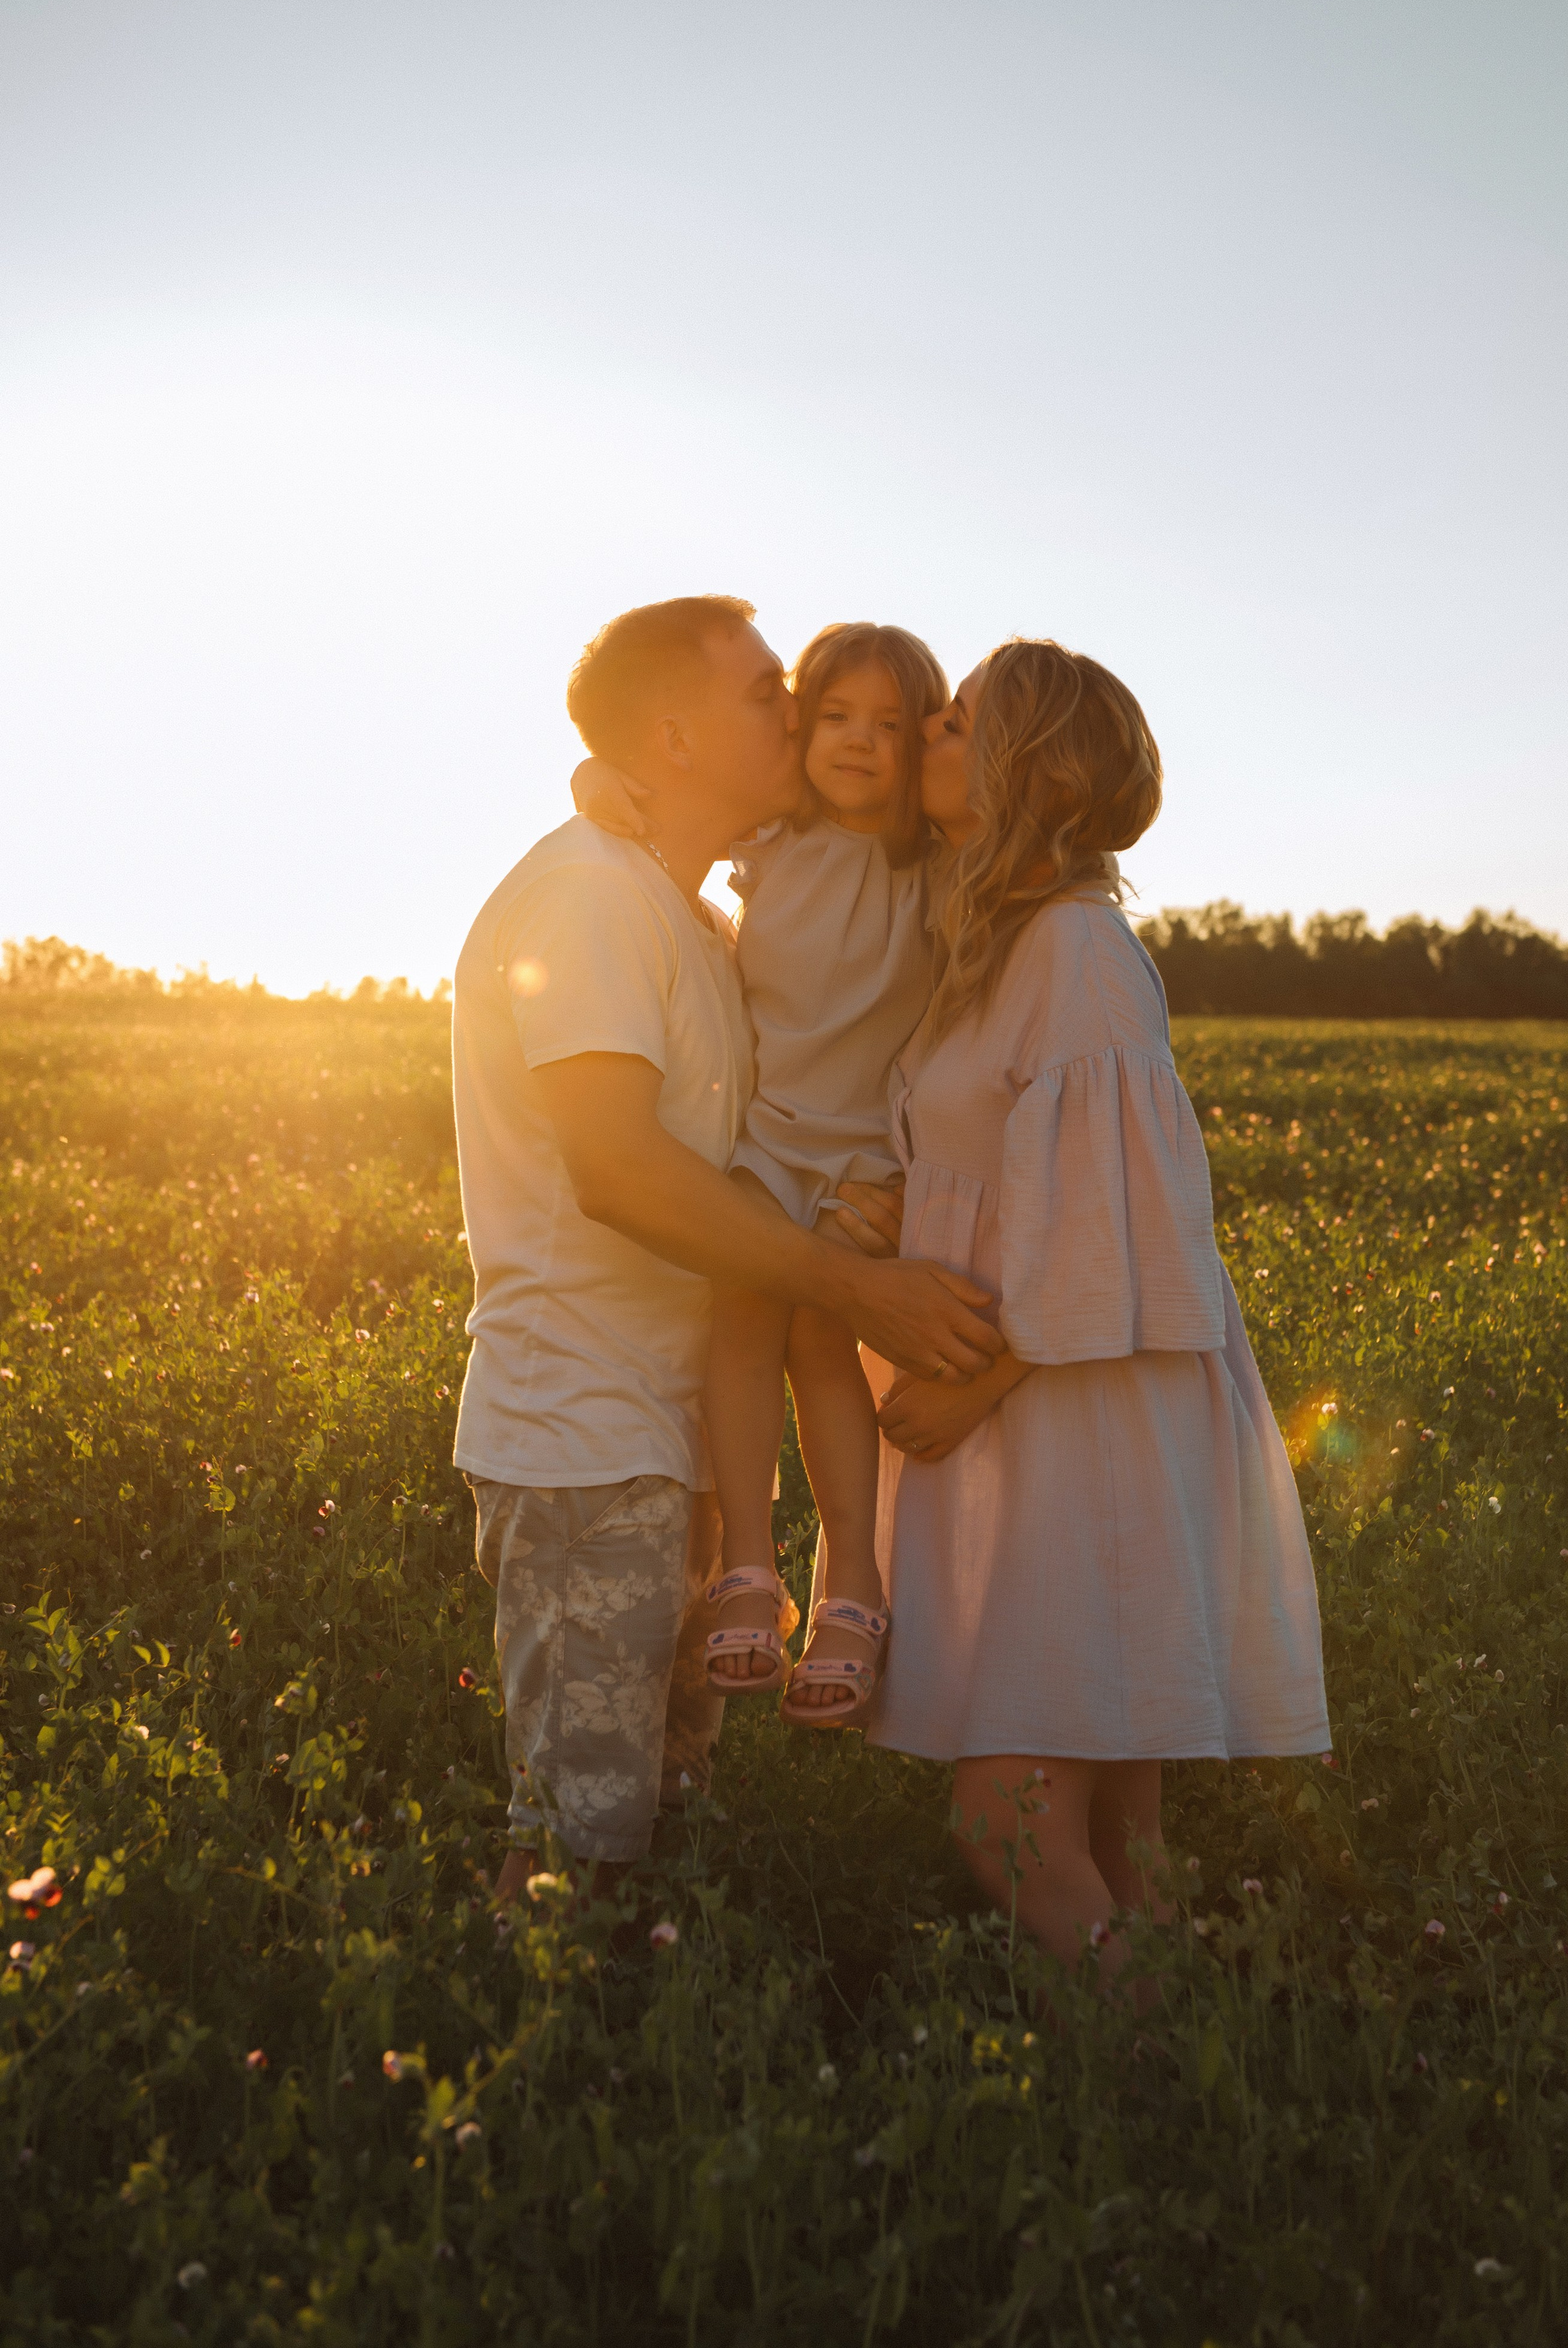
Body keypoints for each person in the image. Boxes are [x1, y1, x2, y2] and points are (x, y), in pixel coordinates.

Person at [450, 595, 1003, 1905]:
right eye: (770, 691)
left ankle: (646, 2078)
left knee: (658, 1807)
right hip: (585, 1437)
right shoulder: (588, 900)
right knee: (581, 1829)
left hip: (677, 1427)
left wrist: (865, 1197)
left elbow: (796, 1106)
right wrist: (849, 1283)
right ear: (676, 733)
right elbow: (620, 1170)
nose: (799, 713)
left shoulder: (691, 913)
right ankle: (519, 2081)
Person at [866, 639, 1332, 1985]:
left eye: (952, 722)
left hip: (1078, 1414)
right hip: (1044, 1405)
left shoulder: (1076, 951)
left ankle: (1149, 2086)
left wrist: (969, 1380)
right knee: (1122, 1842)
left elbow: (1114, 1222)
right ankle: (1196, 2092)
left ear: (1020, 765)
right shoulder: (1005, 943)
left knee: (1003, 1821)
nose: (923, 738)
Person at [572, 622, 947, 1727]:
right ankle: (748, 1569)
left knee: (823, 1339)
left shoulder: (936, 857)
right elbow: (625, 773)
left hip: (866, 1156)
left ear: (921, 744)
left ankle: (853, 1593)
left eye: (888, 725)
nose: (858, 743)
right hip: (770, 1135)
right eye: (832, 716)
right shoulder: (777, 836)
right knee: (740, 1316)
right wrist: (595, 774)